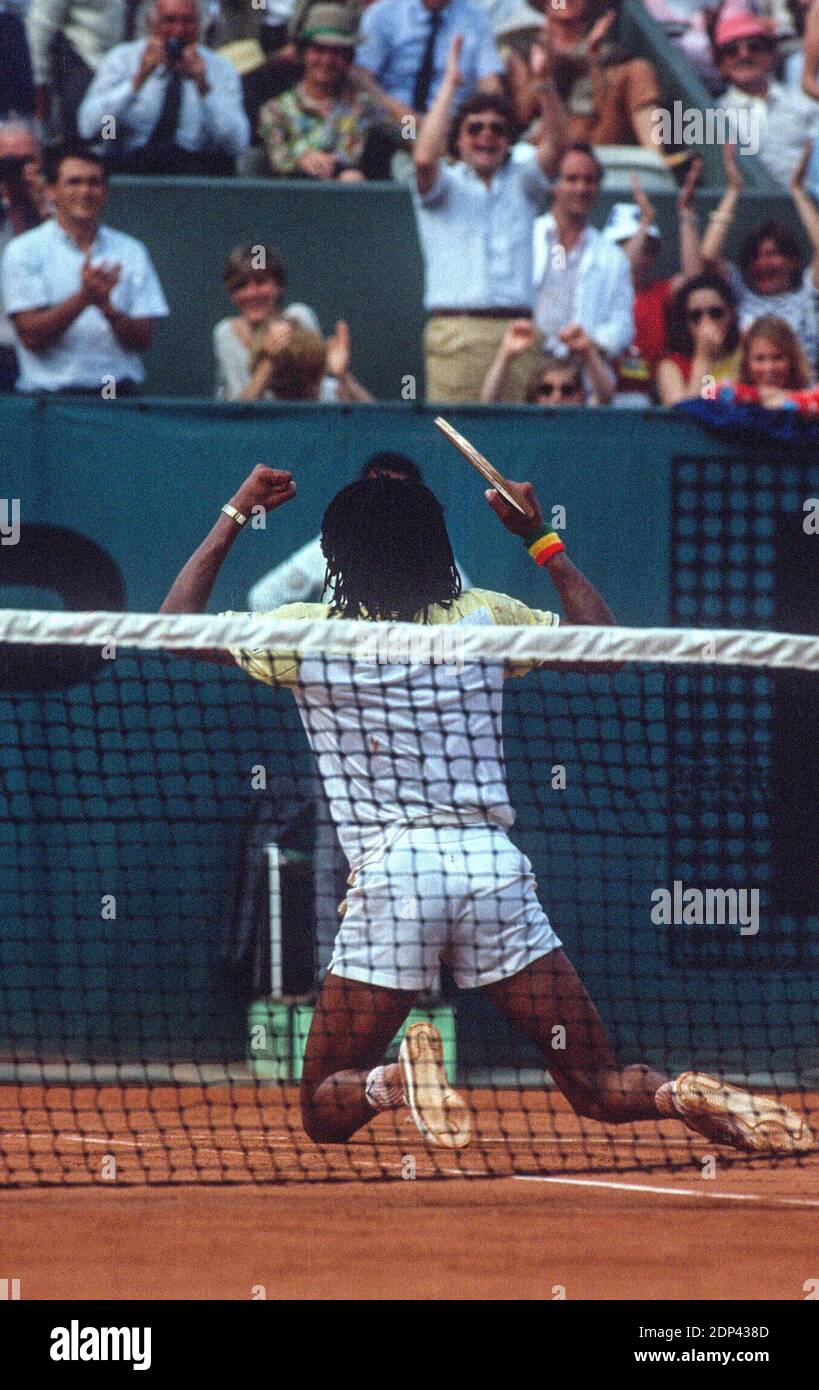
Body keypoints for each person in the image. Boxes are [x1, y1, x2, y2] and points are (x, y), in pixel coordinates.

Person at [158, 462, 812, 1158]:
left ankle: (392, 1082)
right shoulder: (484, 617)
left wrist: (235, 511)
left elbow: (170, 630)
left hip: (396, 883)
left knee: (323, 1105)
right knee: (596, 1082)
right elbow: (604, 651)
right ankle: (671, 1094)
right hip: (491, 873)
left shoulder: (304, 633)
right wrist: (539, 538)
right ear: (436, 549)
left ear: (336, 556)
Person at [413, 34, 568, 402]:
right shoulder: (443, 184)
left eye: (497, 128)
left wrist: (544, 84)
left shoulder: (524, 179)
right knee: (457, 443)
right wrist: (450, 87)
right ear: (459, 140)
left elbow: (560, 146)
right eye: (474, 128)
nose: (487, 135)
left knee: (513, 447)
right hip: (457, 331)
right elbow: (422, 159)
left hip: (517, 329)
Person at [0, 142, 169, 395]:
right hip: (49, 404)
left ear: (105, 191)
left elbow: (143, 340)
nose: (85, 191)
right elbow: (31, 337)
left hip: (118, 398)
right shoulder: (23, 250)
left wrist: (108, 309)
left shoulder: (131, 250)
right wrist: (85, 297)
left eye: (94, 182)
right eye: (74, 182)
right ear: (51, 192)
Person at [248, 452, 472, 609]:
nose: (387, 498)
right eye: (377, 488)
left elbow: (468, 620)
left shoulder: (433, 551)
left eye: (398, 492)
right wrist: (308, 655)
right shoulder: (333, 545)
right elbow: (263, 597)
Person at [77, 0, 250, 175]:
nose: (178, 31)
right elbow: (89, 128)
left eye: (187, 21)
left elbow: (236, 145)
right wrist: (137, 82)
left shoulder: (220, 68)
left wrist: (204, 88)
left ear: (199, 25)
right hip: (130, 163)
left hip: (194, 169)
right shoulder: (122, 59)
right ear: (150, 23)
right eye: (169, 21)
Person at [701, 142, 819, 368]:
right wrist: (733, 190)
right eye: (755, 256)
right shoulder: (741, 295)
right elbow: (707, 256)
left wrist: (797, 191)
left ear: (793, 261)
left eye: (772, 254)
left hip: (799, 397)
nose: (762, 262)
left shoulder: (807, 295)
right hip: (749, 394)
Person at [601, 162, 703, 403]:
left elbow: (696, 283)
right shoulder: (597, 288)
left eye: (649, 249)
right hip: (600, 395)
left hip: (649, 397)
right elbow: (622, 272)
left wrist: (687, 215)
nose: (640, 255)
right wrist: (646, 222)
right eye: (628, 244)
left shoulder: (658, 292)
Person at [258, 4, 396, 180]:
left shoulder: (363, 105)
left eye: (336, 52)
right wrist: (300, 160)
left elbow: (405, 130)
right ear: (303, 53)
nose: (327, 60)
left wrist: (417, 130)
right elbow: (277, 157)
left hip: (350, 198)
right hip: (293, 198)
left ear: (348, 57)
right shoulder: (275, 110)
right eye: (318, 50)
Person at [506, 1, 663, 151]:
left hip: (599, 136)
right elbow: (522, 114)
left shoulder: (606, 51)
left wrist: (593, 57)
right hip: (549, 138)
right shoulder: (525, 48)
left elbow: (606, 106)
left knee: (639, 69)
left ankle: (657, 160)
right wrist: (545, 71)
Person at [532, 142, 634, 365]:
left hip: (580, 373)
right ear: (553, 184)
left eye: (589, 180)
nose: (581, 188)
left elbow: (622, 324)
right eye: (571, 179)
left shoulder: (613, 258)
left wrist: (588, 347)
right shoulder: (527, 238)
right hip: (527, 362)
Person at [711, 10, 818, 188]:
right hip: (752, 209)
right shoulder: (714, 116)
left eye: (754, 47)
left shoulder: (804, 104)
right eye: (732, 51)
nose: (744, 55)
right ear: (720, 65)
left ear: (772, 56)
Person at [355, 0, 504, 122]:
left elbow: (490, 83)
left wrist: (471, 119)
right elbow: (362, 78)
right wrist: (408, 118)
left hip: (450, 124)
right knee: (408, 140)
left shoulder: (476, 17)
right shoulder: (382, 14)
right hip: (396, 119)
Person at [26, 0, 150, 139]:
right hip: (84, 63)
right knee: (96, 136)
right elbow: (41, 25)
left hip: (135, 69)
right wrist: (39, 84)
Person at [213, 242, 320, 400]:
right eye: (240, 286)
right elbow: (239, 412)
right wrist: (269, 361)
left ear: (279, 286)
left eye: (260, 282)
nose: (251, 293)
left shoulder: (298, 316)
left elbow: (313, 395)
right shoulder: (226, 332)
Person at [0, 118, 48, 391]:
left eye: (25, 161)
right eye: (7, 162)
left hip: (49, 355)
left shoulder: (62, 212)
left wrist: (41, 206)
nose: (16, 170)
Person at [656, 270, 742, 405]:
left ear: (730, 315)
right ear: (685, 322)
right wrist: (703, 359)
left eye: (716, 313)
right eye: (696, 316)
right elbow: (682, 416)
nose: (706, 322)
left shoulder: (746, 353)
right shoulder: (671, 366)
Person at [480, 318, 615, 403]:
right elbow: (489, 403)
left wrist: (587, 352)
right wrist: (505, 354)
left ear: (579, 395)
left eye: (567, 390)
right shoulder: (526, 424)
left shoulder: (586, 422)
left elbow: (605, 397)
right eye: (546, 390)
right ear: (535, 396)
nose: (556, 396)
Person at [240, 317, 372, 401]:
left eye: (312, 375)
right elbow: (235, 419)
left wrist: (343, 376)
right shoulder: (262, 399)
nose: (308, 389)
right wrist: (268, 363)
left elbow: (376, 420)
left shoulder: (330, 392)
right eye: (293, 382)